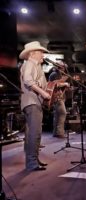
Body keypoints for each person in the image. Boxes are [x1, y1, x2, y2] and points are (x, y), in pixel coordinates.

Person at [19, 41, 51, 171]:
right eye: (41, 52)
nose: (43, 54)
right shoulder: (29, 64)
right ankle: (32, 163)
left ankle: (34, 160)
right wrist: (43, 93)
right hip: (31, 102)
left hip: (34, 102)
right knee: (34, 133)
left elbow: (42, 84)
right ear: (32, 53)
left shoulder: (36, 66)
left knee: (33, 133)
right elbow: (28, 80)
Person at [48, 62, 69, 138]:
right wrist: (65, 84)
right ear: (60, 67)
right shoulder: (54, 74)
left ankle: (56, 132)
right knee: (63, 113)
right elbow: (54, 84)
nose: (64, 69)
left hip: (59, 96)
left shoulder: (59, 74)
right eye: (63, 68)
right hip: (56, 97)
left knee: (57, 115)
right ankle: (60, 132)